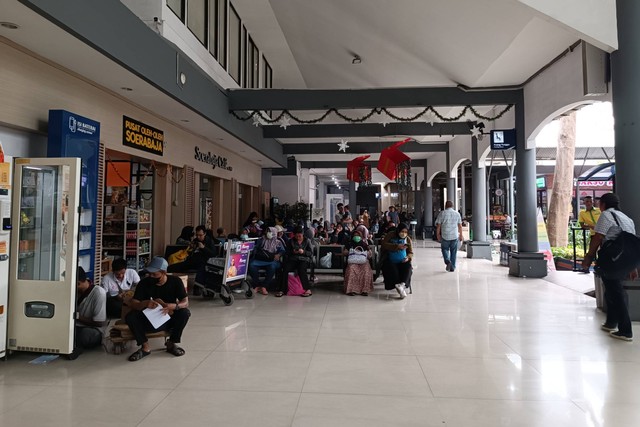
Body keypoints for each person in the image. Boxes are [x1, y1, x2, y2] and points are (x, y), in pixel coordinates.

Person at [582, 193, 636, 341]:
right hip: (625, 259)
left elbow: (598, 237)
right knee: (611, 288)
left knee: (616, 292)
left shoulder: (606, 215)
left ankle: (625, 330)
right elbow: (630, 244)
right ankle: (611, 322)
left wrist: (588, 258)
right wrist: (633, 267)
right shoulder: (627, 218)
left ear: (603, 204)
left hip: (612, 259)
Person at [125, 257, 190, 361]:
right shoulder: (144, 283)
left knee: (184, 313)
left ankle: (171, 343)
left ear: (164, 272)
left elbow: (185, 302)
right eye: (149, 274)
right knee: (131, 316)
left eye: (154, 274)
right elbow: (134, 303)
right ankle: (145, 347)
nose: (151, 276)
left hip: (168, 318)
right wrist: (145, 303)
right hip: (149, 319)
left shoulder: (175, 282)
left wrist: (174, 306)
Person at [69, 267, 107, 359]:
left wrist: (76, 316)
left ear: (78, 283)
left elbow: (99, 322)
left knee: (85, 334)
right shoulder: (75, 291)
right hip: (75, 325)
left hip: (92, 329)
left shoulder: (99, 293)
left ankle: (76, 348)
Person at [276, 226, 314, 297]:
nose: (298, 238)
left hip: (304, 259)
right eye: (296, 236)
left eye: (300, 236)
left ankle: (307, 289)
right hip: (293, 259)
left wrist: (303, 252)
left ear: (302, 234)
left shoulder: (307, 241)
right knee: (285, 269)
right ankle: (282, 290)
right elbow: (287, 252)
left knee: (301, 270)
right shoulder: (291, 241)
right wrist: (293, 252)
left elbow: (311, 253)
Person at [381, 223, 413, 299]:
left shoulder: (407, 239)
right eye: (402, 231)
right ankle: (398, 286)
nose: (403, 233)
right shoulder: (390, 235)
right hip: (390, 260)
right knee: (391, 268)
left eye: (405, 232)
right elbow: (384, 245)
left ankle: (402, 285)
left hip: (403, 260)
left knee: (408, 267)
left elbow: (410, 252)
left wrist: (408, 258)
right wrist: (396, 246)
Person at [249, 226, 285, 294]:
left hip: (272, 260)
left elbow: (283, 251)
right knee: (251, 265)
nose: (268, 233)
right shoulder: (262, 240)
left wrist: (278, 255)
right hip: (261, 259)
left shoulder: (278, 242)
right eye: (267, 231)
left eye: (270, 232)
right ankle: (257, 285)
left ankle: (264, 286)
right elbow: (255, 248)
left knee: (272, 267)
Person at [343, 229, 374, 296]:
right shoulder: (349, 244)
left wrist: (366, 253)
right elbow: (344, 252)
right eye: (355, 235)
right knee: (351, 269)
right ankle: (351, 290)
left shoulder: (364, 244)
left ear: (361, 237)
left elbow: (370, 255)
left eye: (358, 235)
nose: (356, 237)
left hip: (363, 262)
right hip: (353, 261)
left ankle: (365, 290)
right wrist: (352, 251)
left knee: (366, 270)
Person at [435, 201, 463, 272]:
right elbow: (460, 226)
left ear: (445, 206)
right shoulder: (457, 214)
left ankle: (447, 261)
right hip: (454, 235)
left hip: (445, 235)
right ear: (452, 206)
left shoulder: (442, 213)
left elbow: (438, 225)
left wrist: (438, 234)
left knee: (444, 249)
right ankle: (452, 267)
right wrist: (461, 235)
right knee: (453, 251)